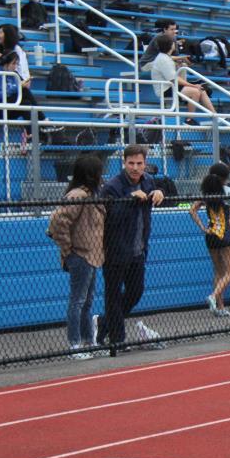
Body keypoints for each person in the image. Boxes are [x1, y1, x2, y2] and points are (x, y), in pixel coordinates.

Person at [94, 145, 165, 348]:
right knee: (113, 295)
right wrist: (129, 199)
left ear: (145, 164)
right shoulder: (112, 186)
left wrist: (160, 191)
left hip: (138, 249)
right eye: (131, 163)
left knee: (136, 291)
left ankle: (103, 323)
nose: (135, 167)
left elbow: (161, 189)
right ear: (124, 163)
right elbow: (109, 218)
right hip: (115, 250)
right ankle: (117, 339)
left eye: (139, 163)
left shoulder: (148, 181)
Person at [46, 155, 106, 359]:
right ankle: (75, 344)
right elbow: (57, 222)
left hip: (93, 254)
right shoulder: (78, 195)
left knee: (87, 301)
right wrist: (68, 249)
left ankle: (88, 341)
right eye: (99, 172)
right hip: (80, 254)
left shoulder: (93, 194)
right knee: (78, 301)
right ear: (91, 174)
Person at [188, 167, 230, 316]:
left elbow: (192, 210)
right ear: (225, 178)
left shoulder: (206, 192)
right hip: (226, 236)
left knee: (218, 271)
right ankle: (213, 296)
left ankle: (220, 308)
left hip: (211, 235)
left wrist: (203, 227)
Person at [149, 34, 215, 121]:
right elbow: (174, 79)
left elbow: (171, 58)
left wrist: (181, 58)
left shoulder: (164, 56)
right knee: (195, 91)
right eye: (173, 42)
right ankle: (189, 120)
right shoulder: (164, 60)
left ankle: (215, 116)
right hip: (164, 90)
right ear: (171, 45)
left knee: (202, 90)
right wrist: (193, 85)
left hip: (170, 86)